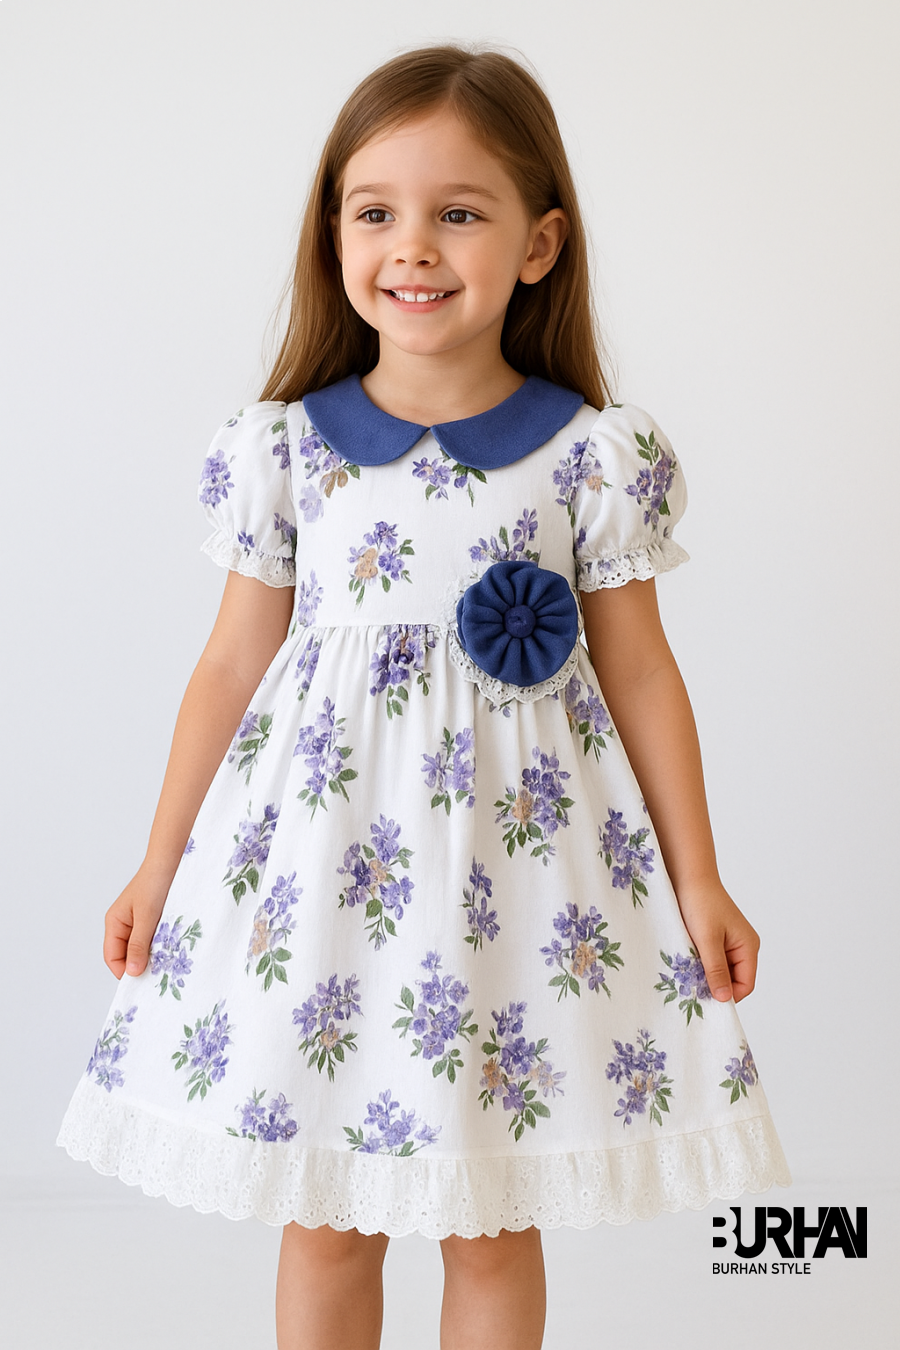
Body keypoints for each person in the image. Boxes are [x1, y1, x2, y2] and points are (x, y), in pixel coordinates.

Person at [57, 43, 790, 1350]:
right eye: (376, 211)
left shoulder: (589, 458)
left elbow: (639, 670)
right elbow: (228, 664)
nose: (413, 245)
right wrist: (157, 865)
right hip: (324, 887)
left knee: (491, 1219)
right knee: (327, 1214)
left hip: (517, 890)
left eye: (459, 211)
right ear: (333, 233)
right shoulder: (288, 451)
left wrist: (699, 879)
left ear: (539, 243)